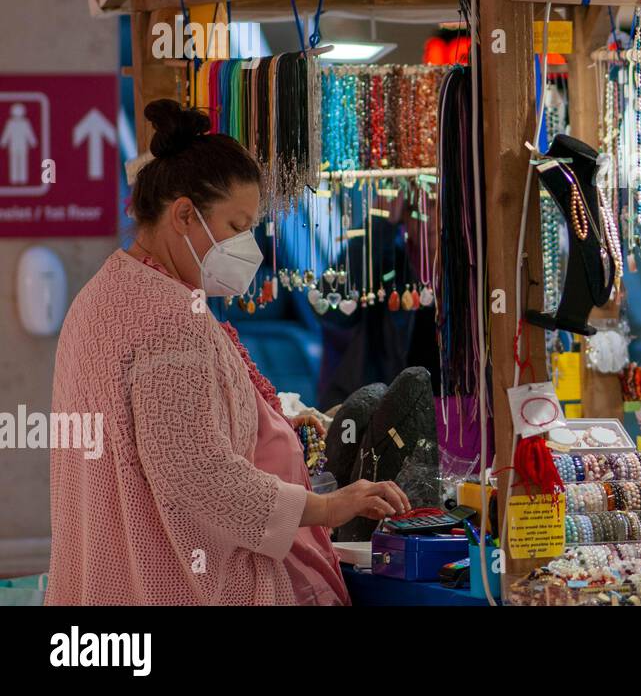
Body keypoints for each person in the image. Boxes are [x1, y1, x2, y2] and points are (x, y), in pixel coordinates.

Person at [46, 100, 410, 605]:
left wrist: (275, 420)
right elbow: (197, 473)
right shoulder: (172, 319)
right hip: (176, 585)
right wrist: (328, 507)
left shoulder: (101, 296)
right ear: (183, 215)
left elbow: (160, 433)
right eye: (237, 226)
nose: (249, 245)